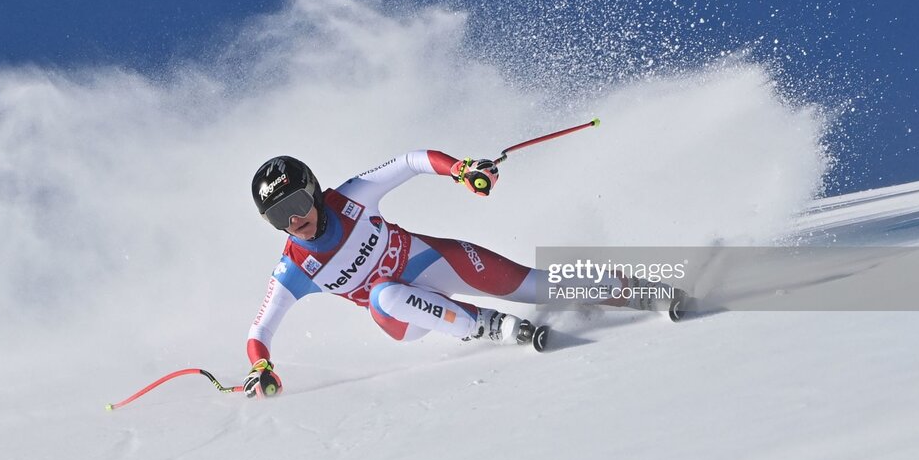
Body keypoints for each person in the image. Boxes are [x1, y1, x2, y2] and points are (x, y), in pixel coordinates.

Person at [241, 150, 635, 398]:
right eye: (278, 216)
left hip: (434, 263)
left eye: (295, 204)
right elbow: (260, 331)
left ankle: (628, 287)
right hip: (403, 317)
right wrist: (262, 368)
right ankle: (489, 327)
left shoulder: (351, 198)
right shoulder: (294, 266)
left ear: (312, 191)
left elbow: (411, 161)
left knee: (535, 286)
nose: (294, 221)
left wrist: (460, 170)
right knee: (384, 294)